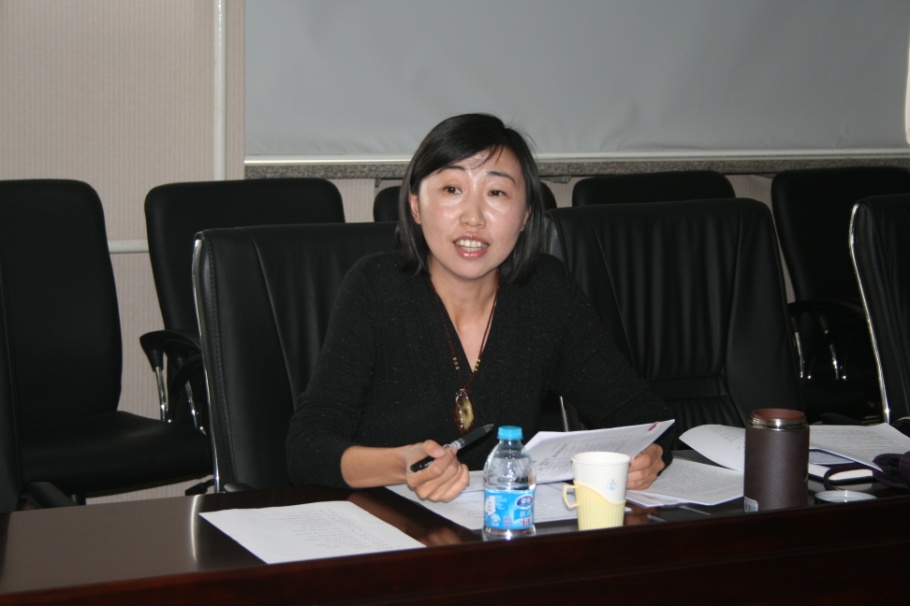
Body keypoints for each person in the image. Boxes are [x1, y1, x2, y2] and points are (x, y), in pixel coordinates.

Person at [287, 113, 673, 502]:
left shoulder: (544, 291)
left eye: (497, 193)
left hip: (508, 524)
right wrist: (403, 465)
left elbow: (641, 413)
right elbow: (307, 447)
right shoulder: (376, 288)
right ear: (416, 205)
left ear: (525, 215)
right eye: (452, 189)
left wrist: (650, 453)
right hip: (389, 521)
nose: (473, 218)